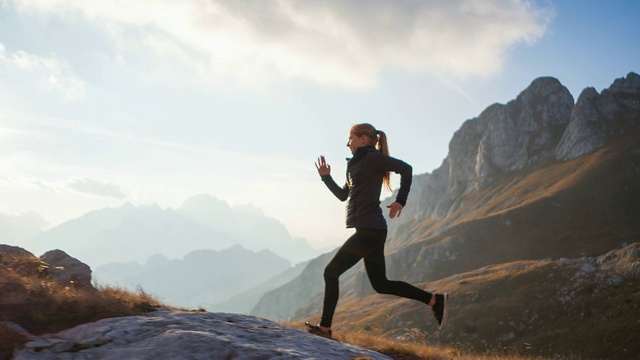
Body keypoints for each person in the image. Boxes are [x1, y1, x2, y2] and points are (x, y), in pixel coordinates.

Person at [307, 123, 448, 339]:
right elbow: (343, 196)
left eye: (351, 138)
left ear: (364, 139)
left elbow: (406, 169)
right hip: (372, 230)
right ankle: (434, 301)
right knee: (381, 284)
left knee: (331, 272)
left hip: (370, 231)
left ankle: (325, 329)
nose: (348, 143)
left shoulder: (372, 158)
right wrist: (326, 177)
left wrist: (400, 201)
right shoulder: (354, 164)